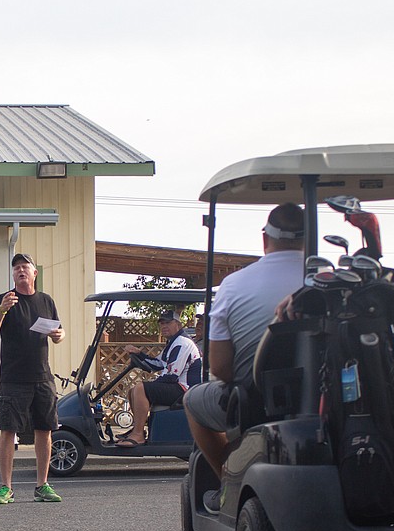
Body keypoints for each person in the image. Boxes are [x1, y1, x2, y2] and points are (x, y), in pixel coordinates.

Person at [182, 203, 306, 510]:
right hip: (322, 400)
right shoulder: (332, 280)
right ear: (308, 239)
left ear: (265, 239)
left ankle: (227, 481)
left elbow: (221, 368)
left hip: (256, 401)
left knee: (192, 401)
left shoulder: (235, 284)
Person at [0, 252, 65, 504]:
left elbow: (58, 333)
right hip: (13, 377)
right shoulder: (5, 300)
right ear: (13, 274)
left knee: (44, 430)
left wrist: (58, 335)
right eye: (16, 267)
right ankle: (6, 488)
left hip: (42, 376)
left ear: (34, 273)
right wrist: (2, 310)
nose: (20, 271)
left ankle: (42, 485)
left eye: (25, 267)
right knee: (8, 430)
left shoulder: (46, 300)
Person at [115, 309, 202, 447]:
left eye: (168, 323)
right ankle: (138, 430)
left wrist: (149, 386)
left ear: (178, 325)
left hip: (185, 389)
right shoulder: (173, 343)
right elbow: (158, 364)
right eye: (161, 324)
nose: (164, 326)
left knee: (140, 388)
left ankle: (138, 435)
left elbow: (172, 376)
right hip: (178, 386)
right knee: (133, 391)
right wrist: (139, 354)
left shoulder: (182, 343)